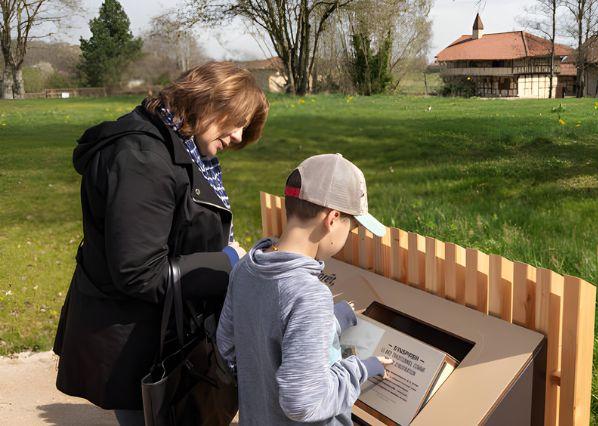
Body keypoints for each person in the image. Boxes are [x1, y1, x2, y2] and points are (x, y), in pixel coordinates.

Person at [52, 61, 269, 425]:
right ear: (208, 102)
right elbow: (139, 272)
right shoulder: (143, 158)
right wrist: (227, 262)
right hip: (135, 344)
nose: (237, 138)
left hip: (159, 334)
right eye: (237, 122)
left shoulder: (179, 144)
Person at [217, 153, 393, 425]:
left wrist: (331, 322)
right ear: (332, 219)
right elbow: (304, 403)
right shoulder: (310, 295)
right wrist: (361, 369)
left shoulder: (246, 268)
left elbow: (229, 346)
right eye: (352, 226)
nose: (349, 235)